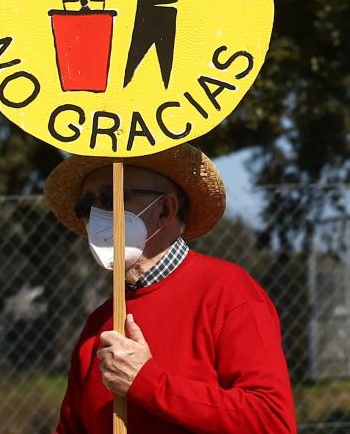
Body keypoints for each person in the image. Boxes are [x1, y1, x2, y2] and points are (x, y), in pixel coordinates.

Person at [45, 146, 294, 433]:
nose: (98, 215)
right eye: (86, 206)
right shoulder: (98, 324)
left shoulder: (228, 292)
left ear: (165, 209)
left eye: (114, 197)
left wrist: (147, 383)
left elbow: (271, 421)